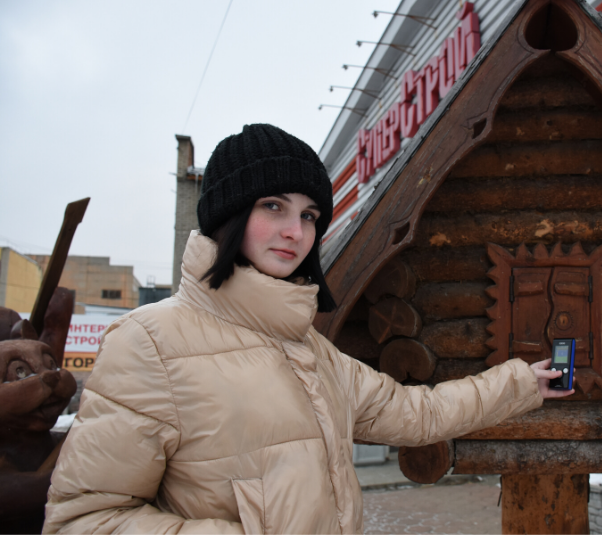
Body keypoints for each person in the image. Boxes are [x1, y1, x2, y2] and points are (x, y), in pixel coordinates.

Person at [43, 124, 573, 534]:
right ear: (228, 215)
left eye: (310, 214)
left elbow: (417, 413)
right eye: (273, 206)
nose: (296, 232)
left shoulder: (310, 350)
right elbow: (86, 520)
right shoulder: (149, 343)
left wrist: (522, 383)